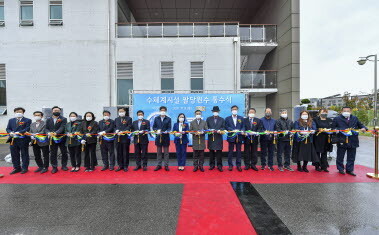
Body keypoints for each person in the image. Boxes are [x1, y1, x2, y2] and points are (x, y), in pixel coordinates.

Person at [332, 107, 367, 176]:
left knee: (351, 156)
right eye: (344, 111)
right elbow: (333, 127)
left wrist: (364, 128)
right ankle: (340, 169)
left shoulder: (355, 118)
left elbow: (360, 125)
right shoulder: (337, 118)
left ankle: (349, 169)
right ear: (341, 111)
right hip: (342, 139)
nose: (346, 112)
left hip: (353, 139)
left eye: (348, 111)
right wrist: (337, 130)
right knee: (340, 156)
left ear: (350, 111)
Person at [6, 107, 31, 174]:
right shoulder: (11, 120)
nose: (18, 113)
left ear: (23, 113)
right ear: (14, 112)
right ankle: (16, 168)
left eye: (20, 112)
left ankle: (24, 168)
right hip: (13, 139)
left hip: (23, 139)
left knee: (24, 154)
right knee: (14, 154)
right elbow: (8, 128)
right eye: (17, 112)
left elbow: (28, 128)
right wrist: (10, 132)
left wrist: (19, 132)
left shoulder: (27, 120)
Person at [46, 106, 69, 174]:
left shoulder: (64, 119)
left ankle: (64, 165)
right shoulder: (48, 119)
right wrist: (48, 133)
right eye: (55, 110)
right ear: (52, 111)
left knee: (64, 152)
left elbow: (62, 127)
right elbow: (46, 128)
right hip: (52, 139)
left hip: (61, 138)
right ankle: (54, 167)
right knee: (53, 153)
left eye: (58, 110)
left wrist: (56, 133)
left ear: (60, 111)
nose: (56, 111)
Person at [225, 105, 244, 172]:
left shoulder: (241, 118)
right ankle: (230, 165)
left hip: (239, 137)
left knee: (239, 152)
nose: (234, 110)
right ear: (231, 110)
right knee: (230, 152)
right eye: (233, 109)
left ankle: (238, 165)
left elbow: (243, 126)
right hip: (231, 137)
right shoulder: (227, 118)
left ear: (237, 110)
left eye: (235, 109)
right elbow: (226, 126)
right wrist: (233, 130)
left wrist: (241, 130)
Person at [206, 106, 225, 172]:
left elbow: (223, 127)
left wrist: (220, 130)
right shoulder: (208, 119)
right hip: (211, 137)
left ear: (218, 112)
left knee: (219, 152)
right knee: (211, 152)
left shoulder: (222, 119)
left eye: (216, 111)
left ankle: (219, 165)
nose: (215, 112)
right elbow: (206, 127)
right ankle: (212, 165)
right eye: (214, 111)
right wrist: (209, 130)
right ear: (212, 112)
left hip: (218, 137)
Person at [153, 106, 172, 171]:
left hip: (166, 137)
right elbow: (154, 127)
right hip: (158, 137)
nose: (162, 111)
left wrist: (167, 131)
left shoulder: (168, 119)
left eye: (164, 110)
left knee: (166, 152)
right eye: (161, 110)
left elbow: (169, 128)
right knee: (159, 152)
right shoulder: (156, 118)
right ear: (159, 111)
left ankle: (166, 165)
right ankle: (159, 165)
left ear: (166, 111)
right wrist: (157, 130)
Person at [114, 107, 132, 172]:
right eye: (120, 111)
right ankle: (120, 165)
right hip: (118, 138)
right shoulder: (116, 119)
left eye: (122, 111)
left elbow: (129, 126)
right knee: (119, 152)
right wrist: (116, 130)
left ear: (125, 112)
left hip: (125, 138)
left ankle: (125, 166)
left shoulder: (129, 118)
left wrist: (123, 131)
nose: (121, 112)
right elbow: (114, 127)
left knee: (125, 152)